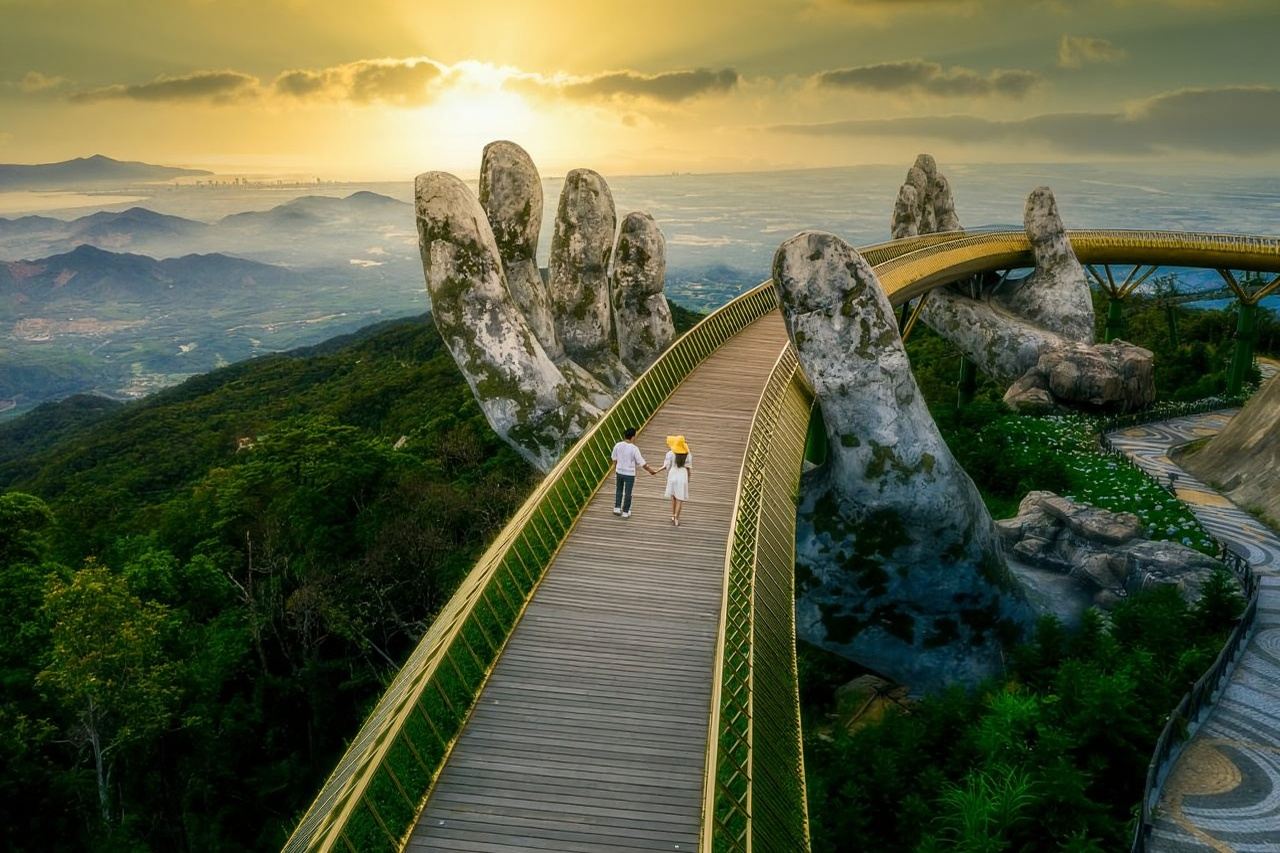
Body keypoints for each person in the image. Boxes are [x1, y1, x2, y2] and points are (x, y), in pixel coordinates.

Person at [609, 427, 656, 519]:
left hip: (619, 472)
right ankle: (625, 511)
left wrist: (616, 468)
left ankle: (617, 508)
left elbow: (614, 458)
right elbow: (641, 462)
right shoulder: (634, 449)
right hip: (629, 474)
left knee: (619, 489)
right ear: (633, 437)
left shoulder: (618, 445)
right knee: (628, 492)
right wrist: (651, 471)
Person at [657, 435, 692, 526]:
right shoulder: (688, 454)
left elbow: (667, 466)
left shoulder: (670, 454)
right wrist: (688, 478)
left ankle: (672, 515)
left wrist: (657, 471)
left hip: (672, 474)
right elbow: (688, 468)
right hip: (682, 475)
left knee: (673, 496)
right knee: (680, 498)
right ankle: (676, 517)